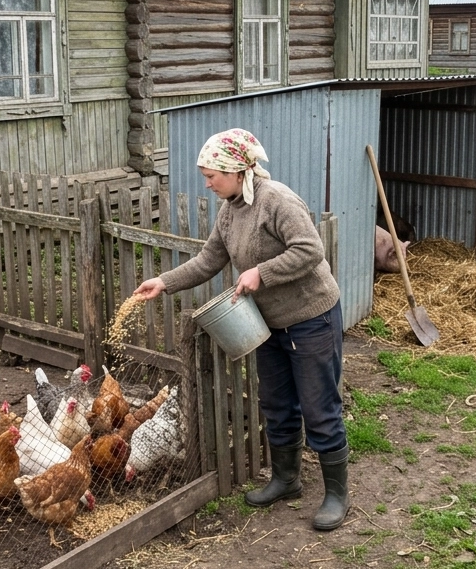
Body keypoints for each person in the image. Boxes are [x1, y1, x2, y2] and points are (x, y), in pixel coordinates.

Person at [133, 128, 349, 531]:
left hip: (311, 317)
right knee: (276, 404)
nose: (207, 182)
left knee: (319, 408)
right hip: (269, 324)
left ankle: (337, 494)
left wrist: (260, 273)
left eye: (212, 174)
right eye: (206, 175)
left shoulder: (277, 201)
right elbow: (209, 260)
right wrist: (164, 282)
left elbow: (309, 249)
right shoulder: (231, 209)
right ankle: (287, 480)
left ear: (236, 169)